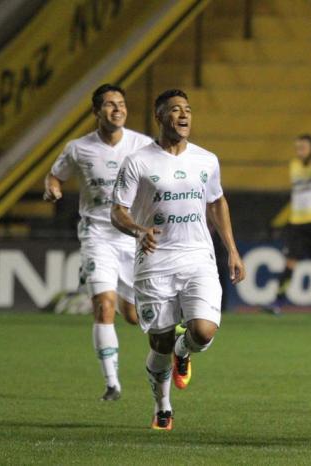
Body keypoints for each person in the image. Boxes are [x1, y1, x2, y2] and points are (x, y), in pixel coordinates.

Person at [111, 89, 245, 430]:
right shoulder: (138, 161)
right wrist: (139, 231)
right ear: (159, 117)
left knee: (203, 331)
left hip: (197, 256)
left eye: (187, 109)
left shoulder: (206, 159)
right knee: (160, 340)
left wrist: (231, 249)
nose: (183, 115)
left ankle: (183, 353)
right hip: (154, 261)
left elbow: (216, 202)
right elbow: (118, 212)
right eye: (174, 110)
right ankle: (163, 406)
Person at [43, 83, 152, 401]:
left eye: (121, 103)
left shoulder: (142, 145)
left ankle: (132, 304)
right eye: (109, 104)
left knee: (134, 316)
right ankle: (112, 384)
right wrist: (53, 188)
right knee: (103, 306)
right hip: (97, 236)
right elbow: (54, 175)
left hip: (132, 236)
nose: (117, 108)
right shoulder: (79, 148)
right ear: (96, 112)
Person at [264, 134, 311, 315]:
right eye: (297, 147)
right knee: (290, 261)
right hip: (297, 221)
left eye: (303, 147)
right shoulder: (294, 165)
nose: (299, 151)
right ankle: (277, 303)